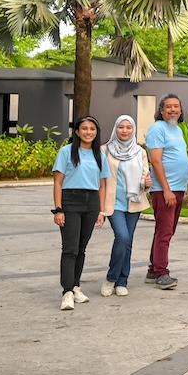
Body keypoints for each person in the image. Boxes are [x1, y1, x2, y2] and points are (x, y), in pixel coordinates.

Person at [52, 116, 110, 310]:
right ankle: (67, 292)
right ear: (77, 131)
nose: (88, 132)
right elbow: (58, 182)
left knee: (81, 248)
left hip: (91, 202)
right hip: (70, 200)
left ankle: (76, 286)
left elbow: (102, 185)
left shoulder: (99, 155)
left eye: (92, 129)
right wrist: (58, 209)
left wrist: (101, 211)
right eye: (84, 128)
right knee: (70, 249)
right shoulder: (66, 152)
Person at [100, 115, 151, 298]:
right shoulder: (105, 150)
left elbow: (145, 177)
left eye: (129, 127)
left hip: (133, 201)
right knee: (122, 237)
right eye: (121, 127)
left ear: (133, 130)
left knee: (128, 242)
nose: (125, 130)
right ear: (115, 128)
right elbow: (100, 179)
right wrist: (99, 208)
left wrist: (147, 183)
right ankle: (111, 278)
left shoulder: (140, 152)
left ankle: (122, 281)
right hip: (113, 202)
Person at [145, 94, 188, 290]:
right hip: (165, 190)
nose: (173, 110)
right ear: (161, 110)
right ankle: (162, 273)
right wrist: (166, 189)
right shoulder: (157, 128)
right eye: (169, 106)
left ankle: (153, 269)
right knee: (164, 232)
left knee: (165, 231)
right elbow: (155, 161)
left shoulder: (176, 129)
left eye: (176, 106)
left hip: (177, 188)